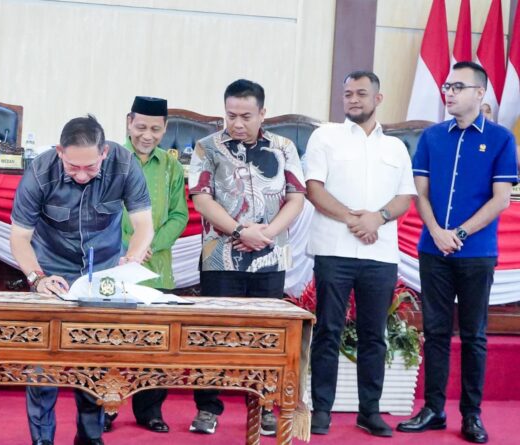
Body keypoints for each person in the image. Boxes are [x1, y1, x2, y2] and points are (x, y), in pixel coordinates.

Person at [10, 115, 153, 445]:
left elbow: (144, 224)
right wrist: (37, 278)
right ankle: (42, 440)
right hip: (51, 272)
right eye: (73, 167)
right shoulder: (40, 171)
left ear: (104, 152)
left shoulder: (124, 164)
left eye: (90, 167)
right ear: (59, 151)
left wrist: (132, 259)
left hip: (102, 273)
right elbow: (19, 237)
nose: (82, 175)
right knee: (43, 365)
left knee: (96, 361)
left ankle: (90, 438)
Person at [397, 61, 517, 444]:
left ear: (480, 93)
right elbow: (420, 192)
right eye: (447, 86)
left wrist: (460, 233)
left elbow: (501, 200)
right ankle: (433, 409)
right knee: (434, 332)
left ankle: (471, 415)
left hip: (476, 252)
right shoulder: (432, 137)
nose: (448, 92)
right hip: (433, 249)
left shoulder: (500, 139)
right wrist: (436, 231)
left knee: (474, 335)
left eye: (458, 87)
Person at [187, 79, 305, 436]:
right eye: (231, 115)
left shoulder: (284, 148)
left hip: (270, 257)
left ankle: (263, 404)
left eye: (246, 116)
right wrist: (240, 231)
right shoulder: (207, 147)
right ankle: (208, 407)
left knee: (266, 335)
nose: (237, 123)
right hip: (221, 257)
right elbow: (201, 198)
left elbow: (296, 197)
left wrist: (265, 234)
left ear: (262, 113)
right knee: (213, 334)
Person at [304, 71, 416, 437]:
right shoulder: (325, 136)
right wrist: (353, 219)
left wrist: (377, 218)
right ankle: (322, 409)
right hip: (333, 249)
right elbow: (313, 189)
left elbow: (405, 197)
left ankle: (370, 411)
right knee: (328, 330)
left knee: (374, 335)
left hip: (379, 254)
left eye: (361, 93)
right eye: (348, 93)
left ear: (378, 99)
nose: (353, 99)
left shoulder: (396, 147)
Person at [103, 96, 188, 434]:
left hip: (156, 267)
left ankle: (150, 410)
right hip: (115, 263)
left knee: (157, 343)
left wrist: (150, 244)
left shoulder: (172, 166)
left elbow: (180, 215)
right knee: (112, 341)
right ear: (128, 122)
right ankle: (105, 407)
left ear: (165, 128)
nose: (147, 135)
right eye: (141, 127)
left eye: (155, 129)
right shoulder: (109, 159)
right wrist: (131, 247)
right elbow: (99, 210)